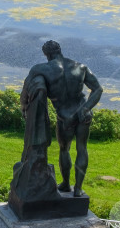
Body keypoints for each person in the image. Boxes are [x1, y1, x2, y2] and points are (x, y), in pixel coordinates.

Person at [28, 40, 102, 197]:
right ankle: (78, 189)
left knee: (64, 149)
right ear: (60, 50)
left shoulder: (42, 69)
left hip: (65, 117)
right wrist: (86, 108)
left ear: (46, 54)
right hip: (83, 113)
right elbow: (97, 89)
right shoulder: (80, 67)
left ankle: (66, 184)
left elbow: (28, 90)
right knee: (82, 148)